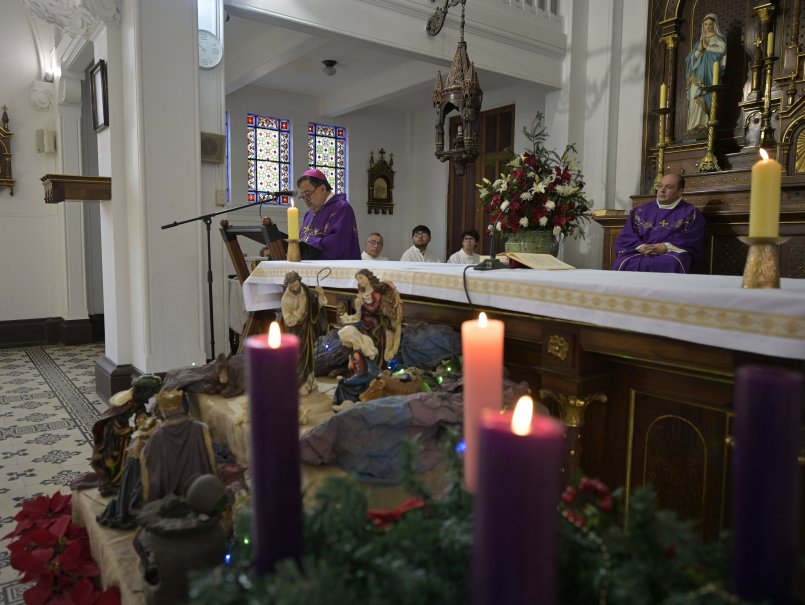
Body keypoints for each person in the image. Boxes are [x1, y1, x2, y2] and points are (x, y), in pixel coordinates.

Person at [612, 174, 705, 273]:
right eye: (660, 186)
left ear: (680, 192)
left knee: (671, 263)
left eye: (669, 187)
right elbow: (627, 235)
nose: (662, 190)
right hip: (641, 251)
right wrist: (640, 247)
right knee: (622, 262)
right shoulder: (640, 211)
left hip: (671, 253)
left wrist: (665, 247)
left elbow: (691, 239)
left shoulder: (690, 213)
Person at [338, 269, 402, 367]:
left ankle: (375, 366)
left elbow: (373, 310)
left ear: (368, 278)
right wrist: (350, 317)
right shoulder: (361, 293)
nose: (359, 281)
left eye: (361, 278)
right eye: (357, 279)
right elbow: (359, 313)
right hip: (363, 324)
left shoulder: (376, 294)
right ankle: (361, 366)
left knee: (374, 345)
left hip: (374, 325)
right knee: (360, 345)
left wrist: (363, 303)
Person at [279, 271, 328, 394]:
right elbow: (289, 321)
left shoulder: (305, 290)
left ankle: (309, 380)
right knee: (297, 356)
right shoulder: (286, 299)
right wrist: (300, 310)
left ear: (299, 281)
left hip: (307, 329)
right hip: (294, 332)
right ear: (287, 285)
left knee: (309, 354)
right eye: (292, 286)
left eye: (296, 284)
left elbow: (318, 305)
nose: (295, 288)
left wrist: (320, 294)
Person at [297, 168, 361, 260]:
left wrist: (306, 242)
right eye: (303, 195)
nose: (306, 199)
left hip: (336, 271)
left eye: (307, 194)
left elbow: (338, 246)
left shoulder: (341, 208)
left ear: (322, 189)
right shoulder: (309, 214)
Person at [684, 13, 727, 139]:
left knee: (706, 95)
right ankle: (693, 126)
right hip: (696, 77)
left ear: (714, 25)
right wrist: (700, 50)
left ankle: (704, 124)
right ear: (703, 26)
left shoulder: (719, 39)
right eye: (706, 24)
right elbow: (689, 59)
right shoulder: (699, 42)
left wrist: (708, 48)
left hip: (709, 76)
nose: (708, 26)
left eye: (710, 24)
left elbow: (721, 51)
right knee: (694, 97)